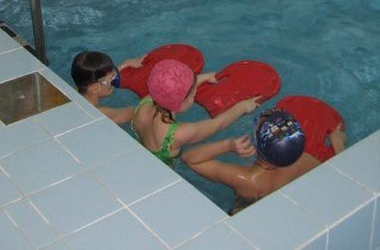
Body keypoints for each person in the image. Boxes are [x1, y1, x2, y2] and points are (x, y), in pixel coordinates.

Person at [183, 107, 347, 214]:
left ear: (257, 143)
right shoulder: (302, 161)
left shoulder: (246, 179)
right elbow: (335, 176)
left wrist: (228, 145)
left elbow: (191, 159)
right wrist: (338, 143)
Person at [131, 59, 260, 165]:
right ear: (181, 103)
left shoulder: (145, 103)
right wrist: (243, 107)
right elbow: (219, 124)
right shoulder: (179, 134)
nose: (194, 95)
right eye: (192, 94)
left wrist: (204, 78)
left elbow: (168, 88)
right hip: (162, 169)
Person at [71, 51, 146, 124]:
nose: (115, 79)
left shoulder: (74, 92)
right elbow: (135, 113)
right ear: (95, 88)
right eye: (112, 78)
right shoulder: (101, 114)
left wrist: (126, 64)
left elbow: (102, 79)